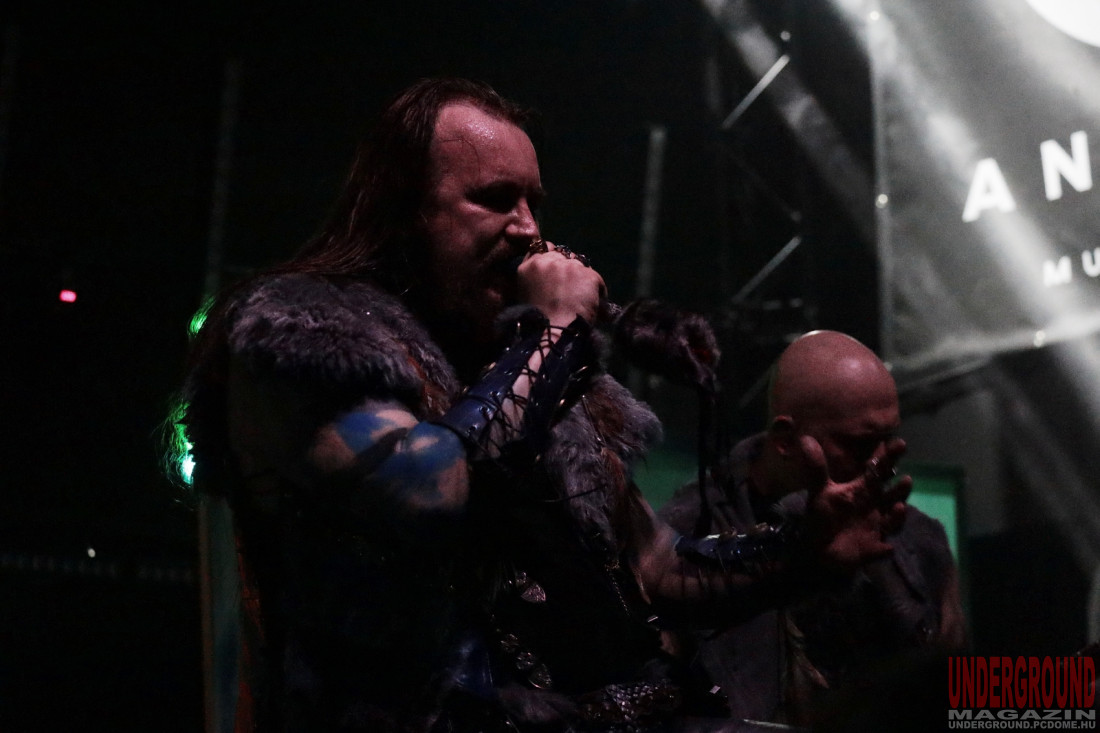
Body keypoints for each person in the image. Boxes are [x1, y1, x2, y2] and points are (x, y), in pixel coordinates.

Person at [177, 79, 909, 732]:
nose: (528, 227)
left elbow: (656, 566)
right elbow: (428, 492)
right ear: (403, 212)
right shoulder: (310, 335)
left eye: (533, 202)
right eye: (495, 199)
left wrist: (805, 548)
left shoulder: (538, 374)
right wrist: (553, 334)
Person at [660, 330, 966, 730]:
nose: (882, 463)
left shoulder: (919, 539)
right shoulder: (684, 542)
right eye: (859, 445)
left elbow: (955, 698)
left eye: (889, 439)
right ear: (786, 440)